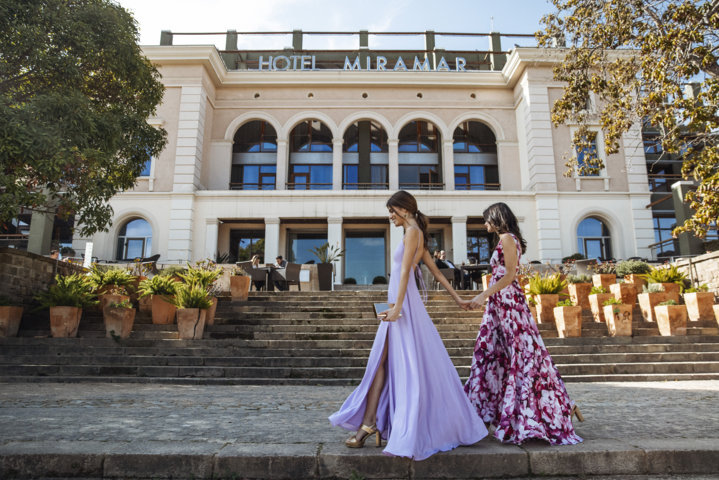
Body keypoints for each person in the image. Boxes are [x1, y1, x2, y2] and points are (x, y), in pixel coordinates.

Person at [329, 191, 487, 460]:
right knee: (381, 362)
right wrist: (458, 298)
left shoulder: (413, 232)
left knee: (384, 362)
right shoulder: (416, 233)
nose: (390, 216)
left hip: (402, 306)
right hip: (400, 304)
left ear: (404, 209)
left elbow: (405, 272)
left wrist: (398, 308)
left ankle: (368, 425)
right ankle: (368, 423)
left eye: (392, 211)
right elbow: (435, 271)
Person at [462, 202, 583, 445]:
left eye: (487, 219)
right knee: (492, 353)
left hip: (508, 305)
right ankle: (487, 413)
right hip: (499, 305)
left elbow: (509, 275)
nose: (485, 224)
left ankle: (550, 410)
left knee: (521, 355)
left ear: (496, 219)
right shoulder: (506, 238)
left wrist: (481, 295)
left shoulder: (507, 237)